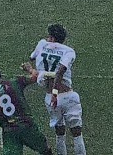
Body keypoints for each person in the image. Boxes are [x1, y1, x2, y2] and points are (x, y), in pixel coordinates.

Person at [28, 23, 85, 155]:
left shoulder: (42, 44)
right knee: (77, 133)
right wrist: (56, 92)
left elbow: (31, 57)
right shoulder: (68, 51)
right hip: (67, 95)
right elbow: (60, 71)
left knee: (59, 133)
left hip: (50, 98)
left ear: (52, 37)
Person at [0, 65, 53, 155]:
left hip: (9, 132)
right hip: (27, 126)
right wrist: (30, 69)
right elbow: (36, 77)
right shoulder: (15, 82)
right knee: (45, 149)